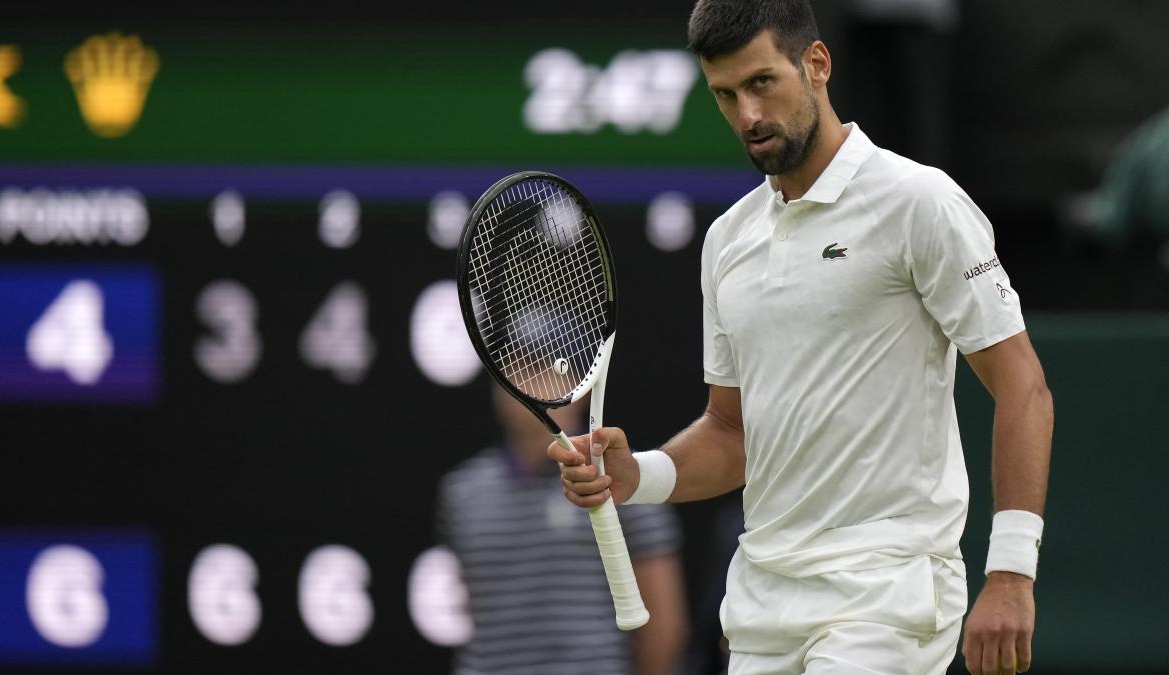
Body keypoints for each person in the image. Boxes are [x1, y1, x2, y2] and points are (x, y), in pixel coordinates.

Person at [550, 2, 1054, 674]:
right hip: (763, 606)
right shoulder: (727, 241)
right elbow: (732, 435)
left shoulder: (919, 202)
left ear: (816, 65)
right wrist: (639, 473)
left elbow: (1024, 385)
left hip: (885, 598)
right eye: (725, 95)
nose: (747, 116)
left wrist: (1012, 573)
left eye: (762, 83)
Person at [436, 384, 688, 675]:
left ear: (583, 388)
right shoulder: (462, 493)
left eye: (551, 370)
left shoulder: (626, 480)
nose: (536, 388)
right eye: (522, 369)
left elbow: (664, 629)